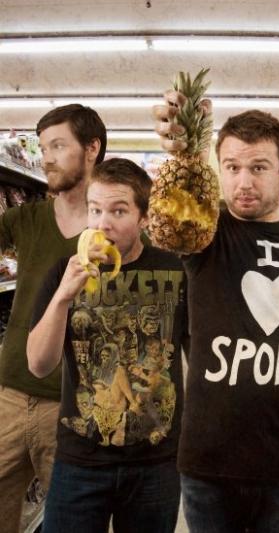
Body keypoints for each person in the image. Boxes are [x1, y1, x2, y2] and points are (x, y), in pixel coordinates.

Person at [152, 101, 279, 532]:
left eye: (259, 167)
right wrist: (180, 139)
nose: (244, 182)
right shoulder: (203, 234)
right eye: (232, 167)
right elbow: (174, 202)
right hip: (207, 465)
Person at [27, 157, 189, 533]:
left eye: (118, 211)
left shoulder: (175, 271)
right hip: (80, 461)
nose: (103, 224)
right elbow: (38, 364)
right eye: (95, 209)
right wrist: (63, 297)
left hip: (157, 462)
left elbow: (197, 360)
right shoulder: (63, 272)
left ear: (144, 217)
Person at [0, 103, 107, 532]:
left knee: (76, 521)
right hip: (8, 395)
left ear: (92, 148)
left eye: (58, 146)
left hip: (74, 405)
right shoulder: (25, 218)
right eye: (43, 148)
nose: (46, 159)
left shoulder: (115, 230)